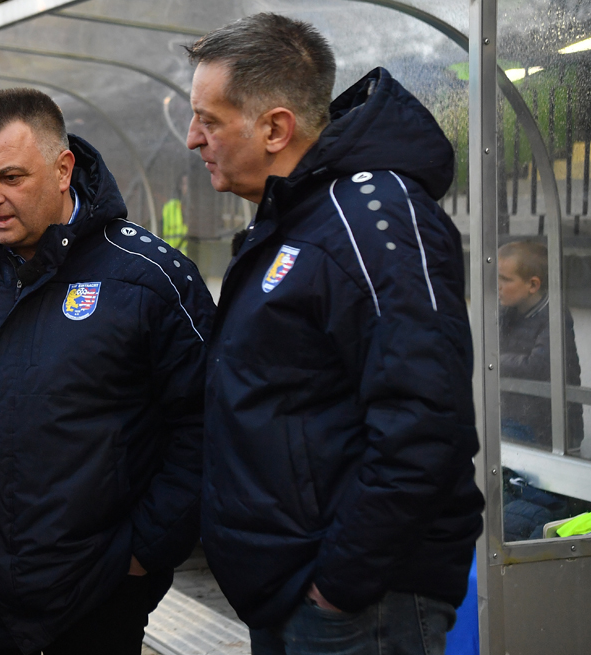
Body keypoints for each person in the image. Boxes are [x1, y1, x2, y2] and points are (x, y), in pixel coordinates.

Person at [184, 14, 484, 654]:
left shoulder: (373, 218)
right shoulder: (299, 217)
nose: (192, 139)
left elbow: (425, 422)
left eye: (209, 120)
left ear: (275, 128)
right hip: (295, 591)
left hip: (354, 606)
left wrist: (339, 585)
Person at [0, 88, 213, 655]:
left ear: (64, 170)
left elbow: (205, 425)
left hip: (97, 603)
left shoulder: (149, 277)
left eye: (11, 177)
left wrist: (142, 553)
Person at [497, 240, 583, 448]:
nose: (496, 286)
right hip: (513, 415)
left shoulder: (555, 315)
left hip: (547, 427)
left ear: (533, 285)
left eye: (505, 279)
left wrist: (492, 360)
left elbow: (538, 366)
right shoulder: (505, 311)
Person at [161, 174, 189, 252]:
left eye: (188, 184)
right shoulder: (170, 207)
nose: (187, 187)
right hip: (171, 255)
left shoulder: (197, 208)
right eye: (184, 184)